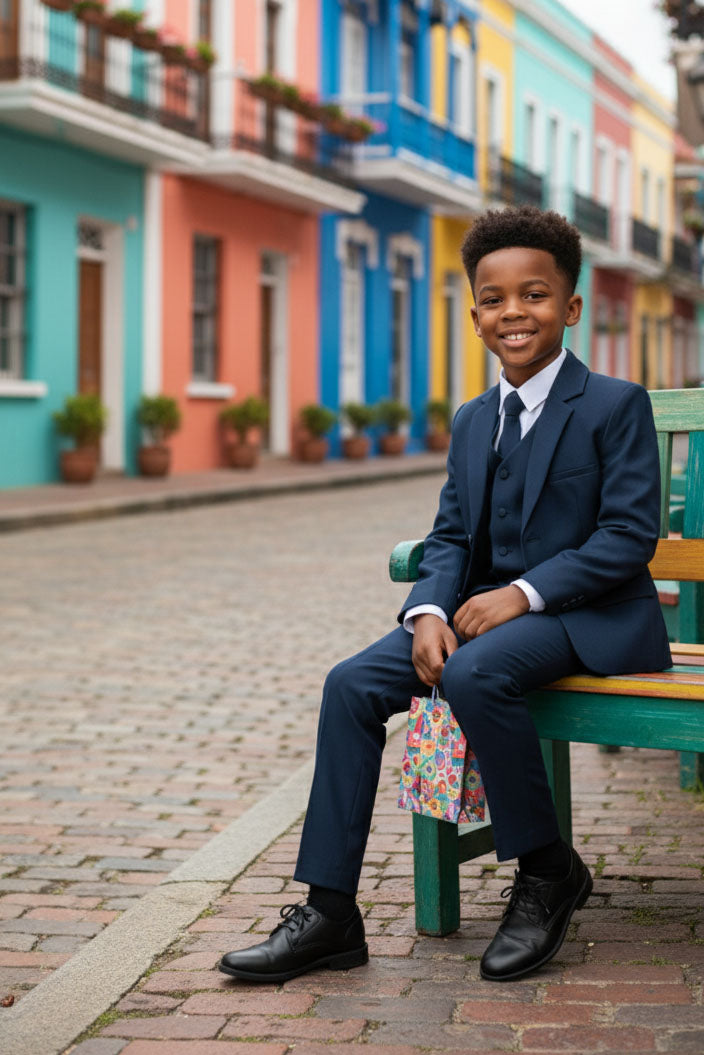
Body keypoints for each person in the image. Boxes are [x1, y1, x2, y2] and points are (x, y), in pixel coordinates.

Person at [219, 205, 671, 984]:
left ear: (570, 308)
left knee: (473, 672)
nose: (513, 313)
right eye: (494, 300)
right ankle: (330, 912)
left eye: (533, 295)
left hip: (587, 617)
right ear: (475, 316)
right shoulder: (471, 420)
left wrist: (523, 593)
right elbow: (452, 535)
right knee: (352, 684)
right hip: (478, 618)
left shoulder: (613, 405)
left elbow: (628, 538)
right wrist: (427, 610)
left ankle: (545, 869)